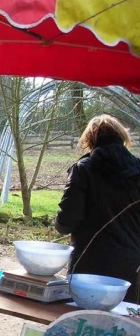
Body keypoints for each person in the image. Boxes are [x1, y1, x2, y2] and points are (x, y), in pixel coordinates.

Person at [55, 114, 140, 303]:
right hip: (132, 265)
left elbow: (65, 222)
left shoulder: (83, 169)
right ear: (122, 137)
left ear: (89, 140)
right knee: (124, 326)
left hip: (88, 267)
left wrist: (59, 221)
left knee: (82, 325)